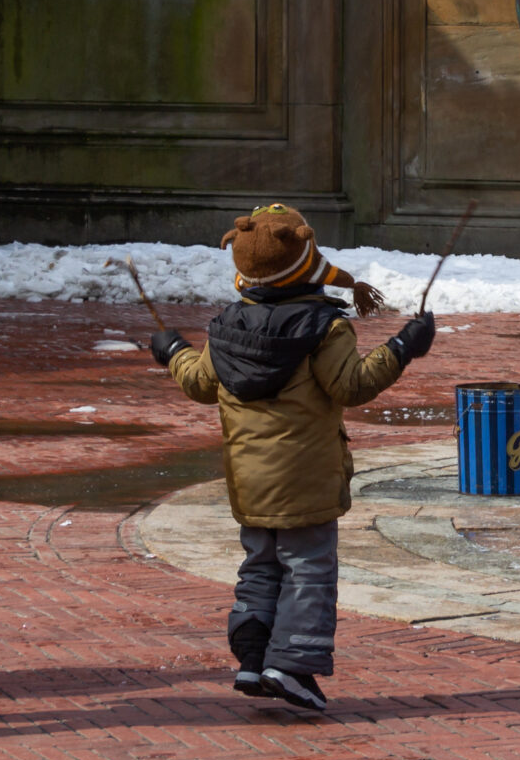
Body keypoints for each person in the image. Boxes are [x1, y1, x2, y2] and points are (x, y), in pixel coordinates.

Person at [148, 204, 434, 714]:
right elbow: (353, 384)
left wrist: (173, 351)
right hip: (306, 480)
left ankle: (255, 660)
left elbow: (198, 382)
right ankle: (293, 666)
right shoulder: (323, 328)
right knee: (308, 568)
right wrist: (402, 347)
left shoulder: (227, 328)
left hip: (249, 482)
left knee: (260, 564)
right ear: (306, 261)